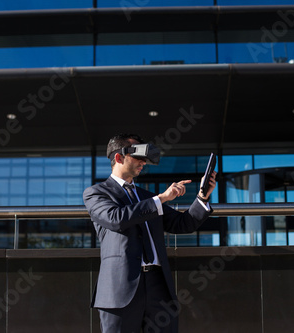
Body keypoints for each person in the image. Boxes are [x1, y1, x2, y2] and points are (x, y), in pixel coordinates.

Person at [83, 133, 217, 333]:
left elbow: (183, 224)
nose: (143, 162)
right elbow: (116, 218)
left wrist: (202, 197)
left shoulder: (148, 198)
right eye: (138, 156)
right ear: (119, 158)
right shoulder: (97, 193)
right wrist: (161, 199)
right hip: (120, 290)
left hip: (158, 287)